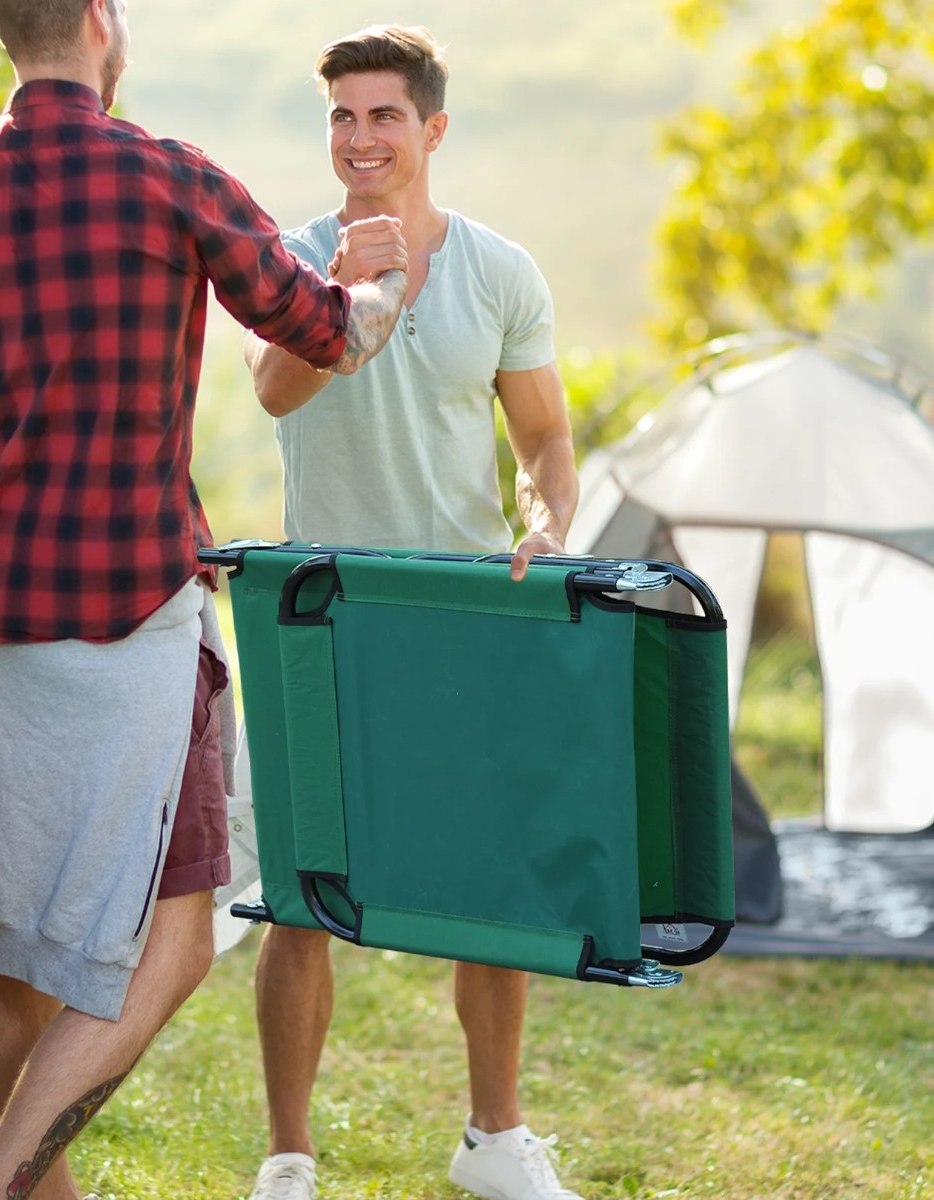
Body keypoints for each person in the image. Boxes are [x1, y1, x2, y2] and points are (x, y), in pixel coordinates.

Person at [0, 3, 408, 1198]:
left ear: (8, 30)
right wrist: (380, 281)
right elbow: (330, 335)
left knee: (15, 953)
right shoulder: (170, 175)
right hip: (140, 614)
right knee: (179, 941)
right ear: (101, 22)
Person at [241, 25, 583, 1200]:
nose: (360, 137)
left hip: (467, 614)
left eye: (383, 114)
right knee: (304, 899)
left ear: (432, 129)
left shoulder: (501, 271)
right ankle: (289, 1157)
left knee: (487, 884)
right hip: (324, 608)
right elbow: (276, 391)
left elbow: (543, 437)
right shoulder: (293, 256)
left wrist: (546, 520)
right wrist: (342, 289)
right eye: (342, 115)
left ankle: (494, 1141)